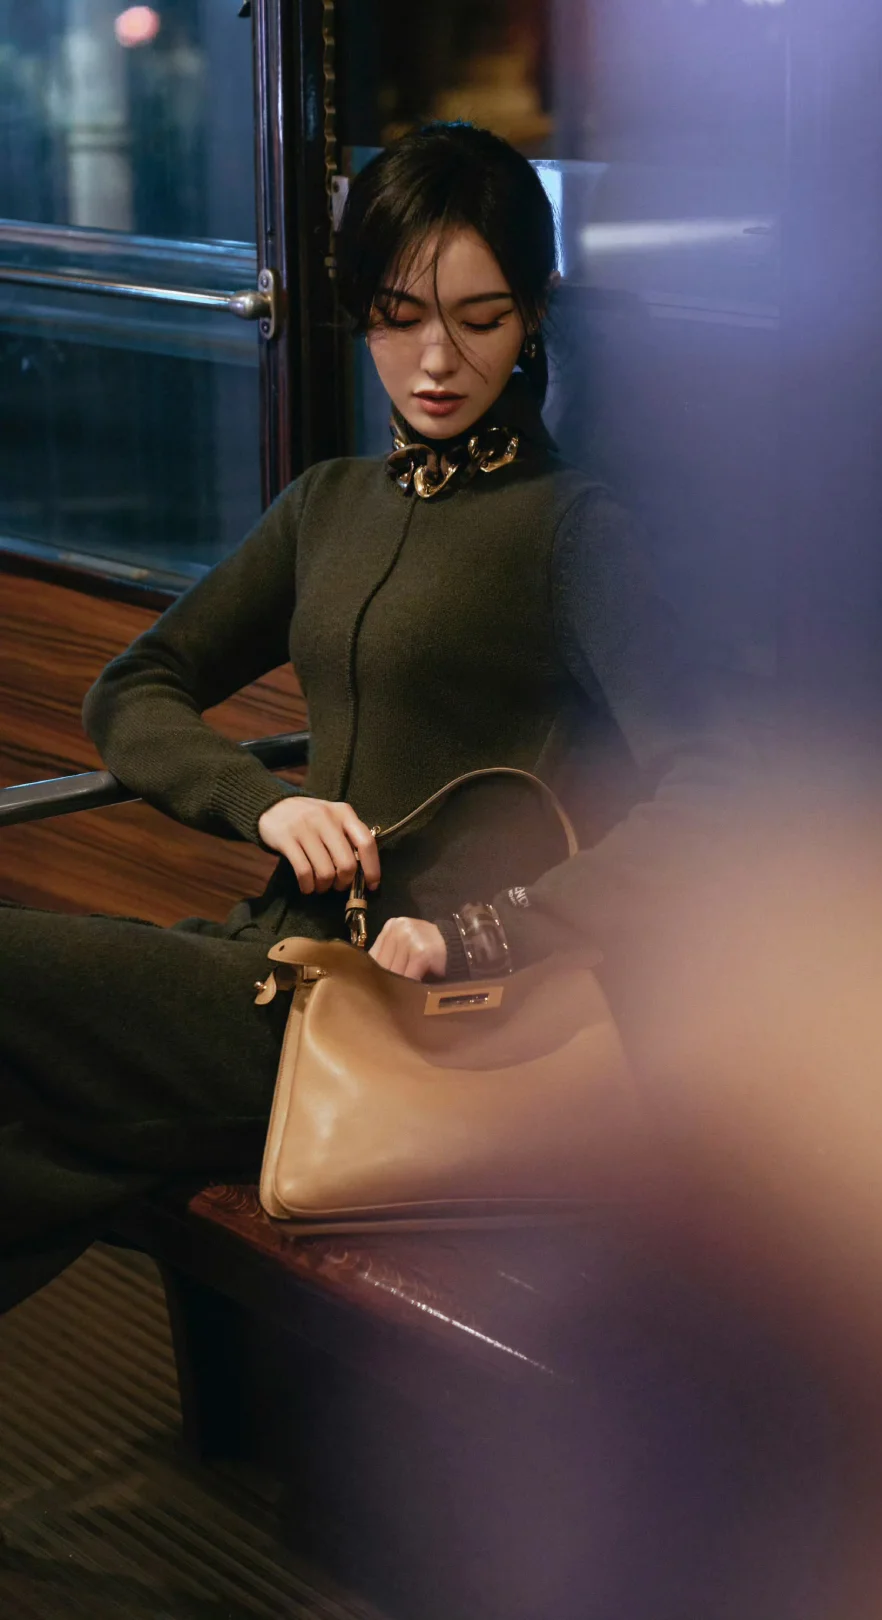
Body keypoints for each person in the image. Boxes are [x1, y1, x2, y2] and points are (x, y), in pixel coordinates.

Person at [0, 122, 717, 1312]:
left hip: (422, 1019)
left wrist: (488, 930)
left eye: (480, 318)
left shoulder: (576, 530)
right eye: (398, 315)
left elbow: (717, 794)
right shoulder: (327, 505)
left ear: (534, 315)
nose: (436, 359)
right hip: (271, 965)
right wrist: (264, 806)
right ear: (358, 312)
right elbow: (132, 686)